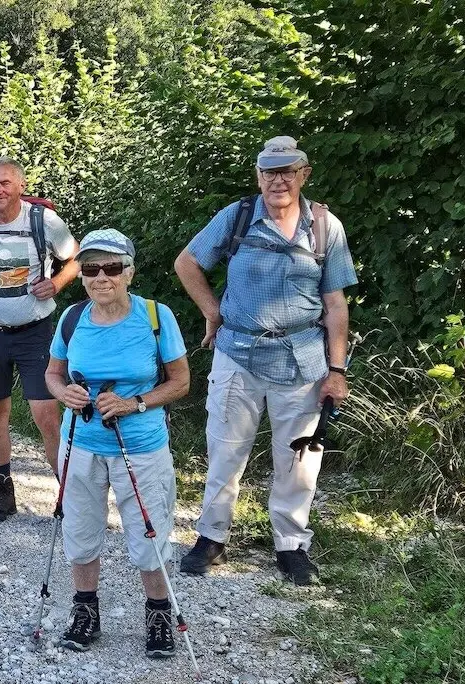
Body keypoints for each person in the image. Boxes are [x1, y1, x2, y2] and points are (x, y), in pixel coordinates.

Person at [173, 136, 357, 586]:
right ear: (258, 177)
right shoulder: (236, 217)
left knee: (299, 459)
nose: (278, 180)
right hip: (237, 354)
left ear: (303, 174)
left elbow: (335, 304)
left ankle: (291, 545)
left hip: (302, 360)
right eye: (270, 172)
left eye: (287, 171)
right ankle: (211, 537)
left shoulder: (324, 226)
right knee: (224, 451)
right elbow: (187, 263)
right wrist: (213, 312)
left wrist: (337, 371)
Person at [45, 229, 190, 656]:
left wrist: (134, 403)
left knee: (149, 534)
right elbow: (53, 373)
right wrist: (64, 394)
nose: (101, 277)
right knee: (79, 529)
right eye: (91, 269)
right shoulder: (72, 318)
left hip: (142, 444)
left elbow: (181, 382)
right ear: (82, 275)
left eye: (111, 267)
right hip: (81, 443)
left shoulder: (155, 316)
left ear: (129, 272)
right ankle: (85, 612)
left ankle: (159, 614)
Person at [0, 156, 80, 521]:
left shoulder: (44, 221)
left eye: (5, 183)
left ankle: (69, 496)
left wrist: (56, 283)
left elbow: (76, 258)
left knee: (47, 415)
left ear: (21, 186)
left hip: (35, 332)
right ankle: (2, 490)